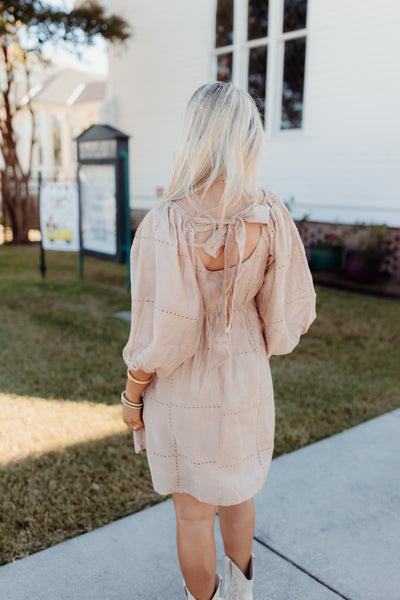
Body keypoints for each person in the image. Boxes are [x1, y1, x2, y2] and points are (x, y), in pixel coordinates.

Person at [121, 82, 316, 600]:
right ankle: (241, 595)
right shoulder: (270, 213)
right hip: (246, 381)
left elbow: (164, 332)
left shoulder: (167, 221)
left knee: (191, 513)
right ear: (246, 136)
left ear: (195, 136)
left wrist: (132, 394)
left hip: (183, 392)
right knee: (239, 492)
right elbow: (287, 306)